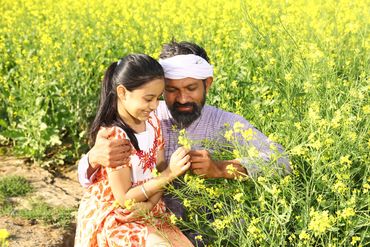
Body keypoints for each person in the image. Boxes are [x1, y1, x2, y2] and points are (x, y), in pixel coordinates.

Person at [78, 41, 291, 245]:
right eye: (171, 90)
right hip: (141, 224)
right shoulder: (146, 114)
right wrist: (92, 159)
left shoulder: (225, 123)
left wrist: (220, 168)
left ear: (207, 83)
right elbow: (95, 180)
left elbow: (281, 161)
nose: (182, 98)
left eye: (191, 88)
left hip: (206, 231)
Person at [75, 54, 194, 247]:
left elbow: (159, 167)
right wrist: (170, 173)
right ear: (122, 93)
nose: (155, 105)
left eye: (158, 98)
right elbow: (124, 198)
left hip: (150, 206)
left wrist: (150, 205)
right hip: (119, 216)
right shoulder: (115, 137)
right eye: (148, 98)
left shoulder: (153, 122)